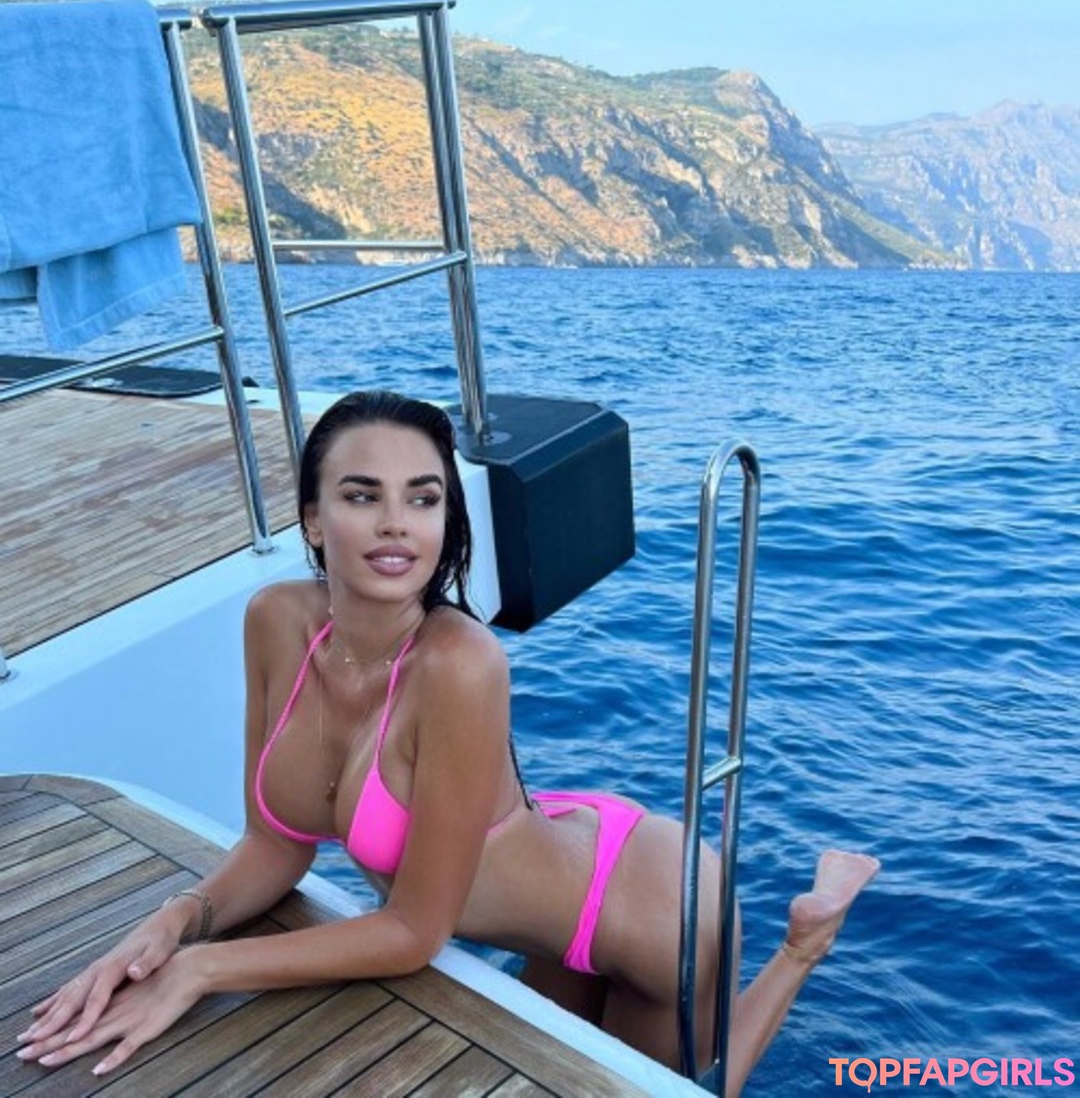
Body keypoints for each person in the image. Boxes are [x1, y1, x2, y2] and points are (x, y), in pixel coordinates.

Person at [17, 390, 879, 1094]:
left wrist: (205, 971)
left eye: (423, 499)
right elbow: (275, 845)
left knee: (692, 1093)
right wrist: (176, 923)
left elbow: (414, 933)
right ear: (313, 519)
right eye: (363, 496)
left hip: (652, 912)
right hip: (551, 873)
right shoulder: (276, 621)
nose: (397, 523)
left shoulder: (461, 663)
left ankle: (805, 941)